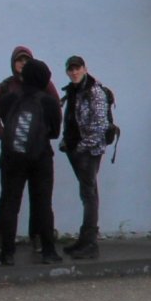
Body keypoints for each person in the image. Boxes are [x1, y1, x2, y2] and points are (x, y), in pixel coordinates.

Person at [0, 57, 63, 265]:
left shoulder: (8, 98)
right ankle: (48, 251)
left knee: (10, 203)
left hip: (11, 156)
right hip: (41, 157)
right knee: (42, 203)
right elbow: (55, 132)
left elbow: (5, 125)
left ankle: (7, 253)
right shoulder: (49, 101)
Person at [59, 55, 116, 259]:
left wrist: (81, 147)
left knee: (89, 194)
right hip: (76, 150)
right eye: (70, 69)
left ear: (84, 68)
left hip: (88, 151)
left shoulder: (94, 91)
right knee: (87, 194)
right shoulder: (74, 90)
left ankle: (90, 243)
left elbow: (100, 125)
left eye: (77, 68)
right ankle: (85, 240)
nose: (74, 72)